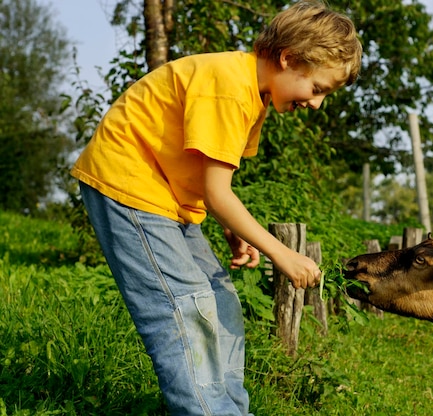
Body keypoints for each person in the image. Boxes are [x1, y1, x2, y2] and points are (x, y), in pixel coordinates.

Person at [70, 1, 362, 415]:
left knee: (220, 300)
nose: (316, 104)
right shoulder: (229, 86)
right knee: (183, 308)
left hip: (168, 195)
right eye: (317, 89)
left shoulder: (251, 95)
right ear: (288, 58)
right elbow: (217, 194)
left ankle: (227, 408)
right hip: (128, 183)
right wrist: (283, 254)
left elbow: (213, 180)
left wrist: (234, 229)